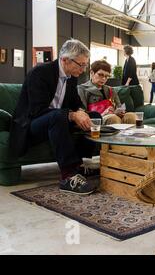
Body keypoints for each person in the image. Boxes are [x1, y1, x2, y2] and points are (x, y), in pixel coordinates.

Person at [9, 39, 99, 195]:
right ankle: (68, 176)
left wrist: (81, 112)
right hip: (31, 125)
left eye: (85, 65)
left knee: (95, 116)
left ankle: (79, 166)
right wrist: (71, 115)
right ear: (65, 59)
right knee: (58, 117)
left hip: (57, 121)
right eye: (81, 64)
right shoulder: (40, 73)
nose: (84, 69)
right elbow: (37, 110)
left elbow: (75, 103)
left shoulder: (71, 77)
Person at [78, 60, 137, 125]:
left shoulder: (110, 89)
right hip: (97, 120)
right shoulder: (82, 89)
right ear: (92, 73)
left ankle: (131, 135)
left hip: (113, 116)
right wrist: (103, 114)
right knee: (113, 118)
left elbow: (119, 107)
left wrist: (119, 111)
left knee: (131, 116)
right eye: (100, 75)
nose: (103, 78)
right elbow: (82, 113)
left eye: (106, 76)